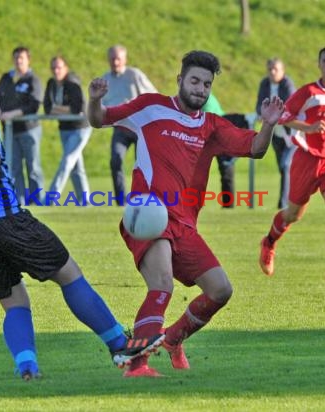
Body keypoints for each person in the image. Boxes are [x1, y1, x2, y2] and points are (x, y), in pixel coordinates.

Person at [0, 89, 163, 381]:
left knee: (15, 303)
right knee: (69, 275)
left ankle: (26, 366)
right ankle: (119, 344)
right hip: (5, 220)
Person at [88, 50, 284, 377]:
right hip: (148, 215)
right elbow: (99, 119)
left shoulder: (211, 126)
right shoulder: (151, 106)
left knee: (221, 290)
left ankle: (174, 338)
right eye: (194, 81)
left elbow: (256, 149)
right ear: (180, 80)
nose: (200, 89)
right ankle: (137, 365)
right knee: (162, 285)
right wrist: (94, 101)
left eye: (206, 84)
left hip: (184, 225)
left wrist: (269, 125)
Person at [258, 46, 325, 284]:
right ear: (319, 64)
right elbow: (283, 117)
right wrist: (309, 128)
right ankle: (269, 242)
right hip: (306, 159)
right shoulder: (308, 92)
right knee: (293, 214)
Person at [101, 45, 157, 205]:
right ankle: (120, 201)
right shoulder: (105, 80)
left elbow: (154, 96)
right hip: (121, 129)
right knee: (115, 160)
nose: (115, 61)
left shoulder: (134, 75)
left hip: (140, 129)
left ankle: (142, 199)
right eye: (112, 58)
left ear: (125, 59)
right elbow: (101, 105)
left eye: (118, 58)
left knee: (141, 166)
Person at [0, 46, 44, 205]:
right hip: (9, 131)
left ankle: (37, 201)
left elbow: (34, 104)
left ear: (28, 60)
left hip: (29, 130)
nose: (18, 61)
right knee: (14, 168)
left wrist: (14, 114)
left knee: (33, 168)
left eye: (21, 58)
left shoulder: (32, 80)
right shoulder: (6, 78)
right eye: (16, 57)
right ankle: (20, 202)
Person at [44, 56, 91, 204]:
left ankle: (50, 199)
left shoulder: (72, 83)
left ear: (66, 68)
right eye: (53, 68)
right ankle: (85, 201)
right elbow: (46, 107)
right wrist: (65, 110)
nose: (56, 71)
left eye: (59, 67)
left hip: (80, 128)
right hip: (64, 128)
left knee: (67, 162)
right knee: (76, 167)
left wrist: (56, 109)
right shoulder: (51, 83)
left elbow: (79, 108)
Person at [255, 57, 296, 209]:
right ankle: (293, 197)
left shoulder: (287, 84)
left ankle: (284, 204)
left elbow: (291, 105)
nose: (272, 72)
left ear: (282, 71)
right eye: (270, 69)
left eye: (276, 69)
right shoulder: (264, 84)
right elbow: (259, 104)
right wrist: (262, 113)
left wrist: (275, 115)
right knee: (282, 167)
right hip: (275, 133)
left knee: (286, 165)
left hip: (291, 132)